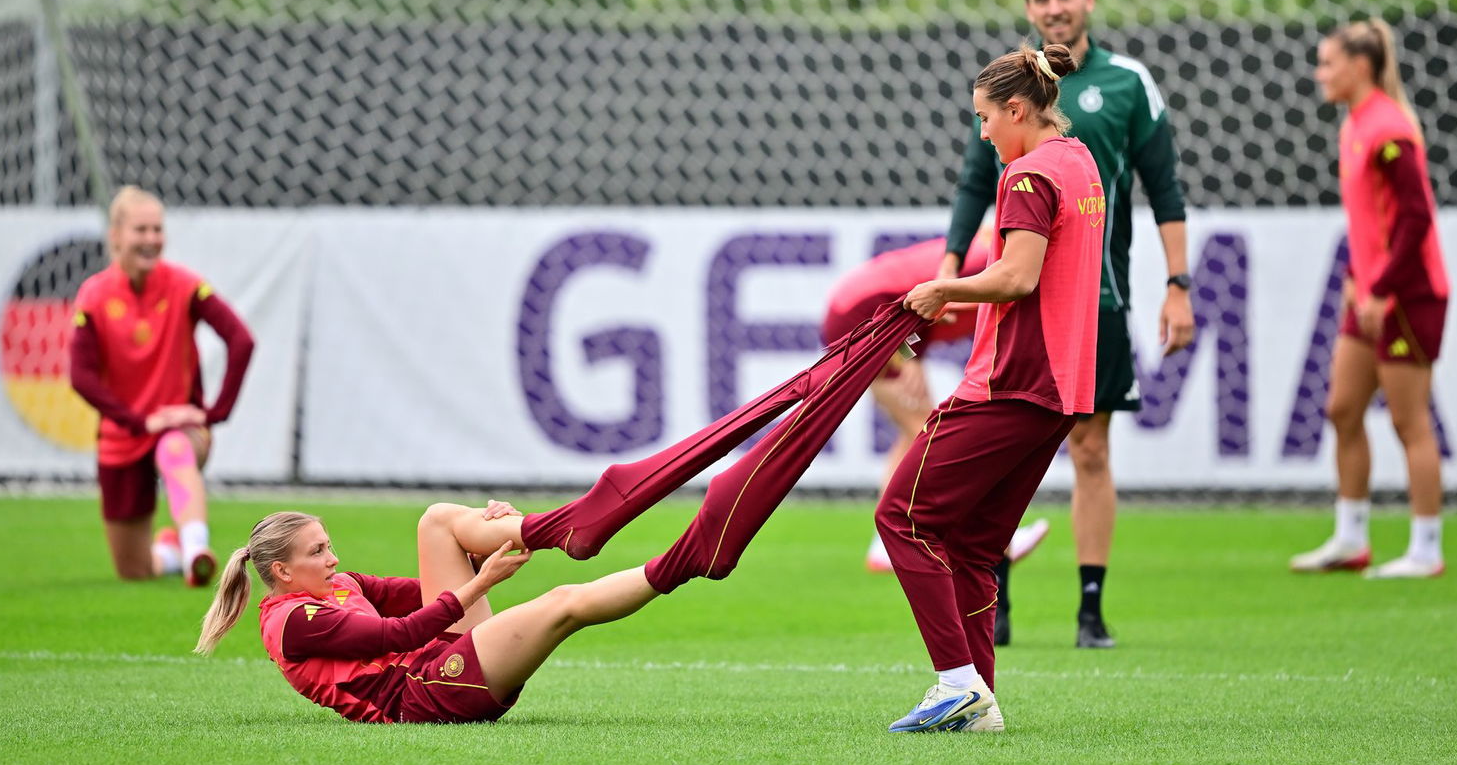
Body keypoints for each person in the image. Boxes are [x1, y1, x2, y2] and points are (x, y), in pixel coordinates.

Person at [196, 302, 928, 725]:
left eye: (328, 546)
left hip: (433, 662)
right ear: (282, 571)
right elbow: (402, 629)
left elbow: (414, 593)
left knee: (434, 521)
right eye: (319, 552)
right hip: (427, 694)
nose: (332, 557)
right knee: (564, 604)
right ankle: (684, 560)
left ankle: (548, 529)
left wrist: (489, 549)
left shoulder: (324, 589)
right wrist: (486, 583)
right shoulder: (295, 620)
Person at [938, 0, 1194, 649]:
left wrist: (1178, 284)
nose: (1054, 6)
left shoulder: (1126, 83)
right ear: (1029, 8)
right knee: (999, 449)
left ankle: (1090, 609)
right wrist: (951, 264)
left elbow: (1164, 188)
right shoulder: (1008, 89)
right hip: (1018, 297)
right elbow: (970, 186)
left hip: (1097, 300)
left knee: (1089, 449)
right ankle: (998, 601)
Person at [876, 43, 1105, 733]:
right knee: (974, 545)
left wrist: (944, 285)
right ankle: (979, 703)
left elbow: (1018, 277)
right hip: (1059, 391)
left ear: (1015, 109)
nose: (981, 135)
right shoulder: (1080, 162)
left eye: (983, 119)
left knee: (901, 516)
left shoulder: (1028, 176)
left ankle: (954, 683)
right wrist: (967, 306)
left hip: (1008, 384)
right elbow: (1043, 285)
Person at [1290, 19, 1448, 579]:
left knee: (1411, 423)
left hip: (1406, 293)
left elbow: (1414, 217)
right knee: (1342, 408)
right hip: (1372, 291)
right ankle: (1351, 538)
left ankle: (1426, 549)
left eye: (1328, 62)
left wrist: (1382, 287)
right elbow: (1371, 220)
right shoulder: (1357, 123)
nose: (1320, 73)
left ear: (1358, 67)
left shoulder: (1388, 128)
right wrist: (1360, 278)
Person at [821, 235, 1050, 576]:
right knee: (929, 435)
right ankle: (993, 538)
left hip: (869, 315)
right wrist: (907, 355)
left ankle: (885, 544)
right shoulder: (992, 262)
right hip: (865, 317)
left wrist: (912, 353)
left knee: (916, 429)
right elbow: (923, 293)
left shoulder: (993, 252)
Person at [69, 186, 255, 585]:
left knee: (172, 446)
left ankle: (194, 548)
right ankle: (171, 550)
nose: (152, 238)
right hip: (123, 434)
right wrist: (136, 421)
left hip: (181, 432)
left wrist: (212, 414)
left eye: (158, 229)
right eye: (142, 229)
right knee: (134, 571)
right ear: (116, 234)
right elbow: (80, 377)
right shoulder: (94, 295)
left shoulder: (186, 285)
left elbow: (241, 339)